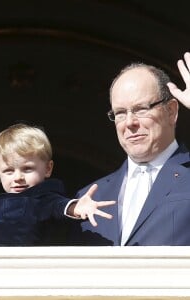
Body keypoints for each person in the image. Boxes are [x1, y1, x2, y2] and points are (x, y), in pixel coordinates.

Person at [68, 55, 190, 246]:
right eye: (120, 113)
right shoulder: (90, 197)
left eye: (141, 109)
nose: (130, 122)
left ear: (171, 111)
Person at [0, 123, 115, 246]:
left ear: (48, 169)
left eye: (27, 169)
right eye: (8, 171)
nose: (18, 177)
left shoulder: (42, 197)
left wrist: (75, 208)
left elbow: (57, 206)